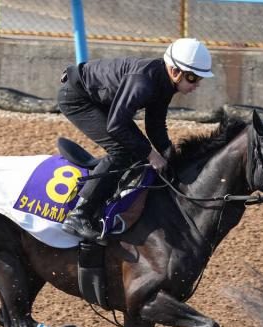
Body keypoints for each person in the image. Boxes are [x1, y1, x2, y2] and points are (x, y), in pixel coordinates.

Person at [57, 38, 214, 243]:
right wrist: (151, 154)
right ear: (175, 71)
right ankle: (79, 215)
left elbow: (155, 126)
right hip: (77, 99)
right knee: (121, 151)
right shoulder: (144, 82)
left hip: (103, 102)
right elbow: (116, 125)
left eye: (199, 79)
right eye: (193, 78)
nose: (197, 85)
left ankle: (107, 198)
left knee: (135, 151)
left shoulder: (165, 82)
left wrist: (172, 159)